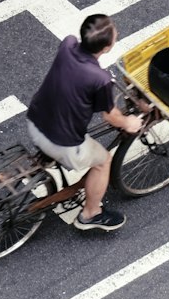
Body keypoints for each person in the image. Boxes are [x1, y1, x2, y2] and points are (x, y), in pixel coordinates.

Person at [26, 13, 142, 233]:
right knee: (103, 161)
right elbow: (110, 117)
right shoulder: (100, 79)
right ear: (107, 48)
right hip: (61, 143)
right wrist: (129, 122)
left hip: (35, 121)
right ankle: (90, 214)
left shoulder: (68, 44)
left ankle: (49, 158)